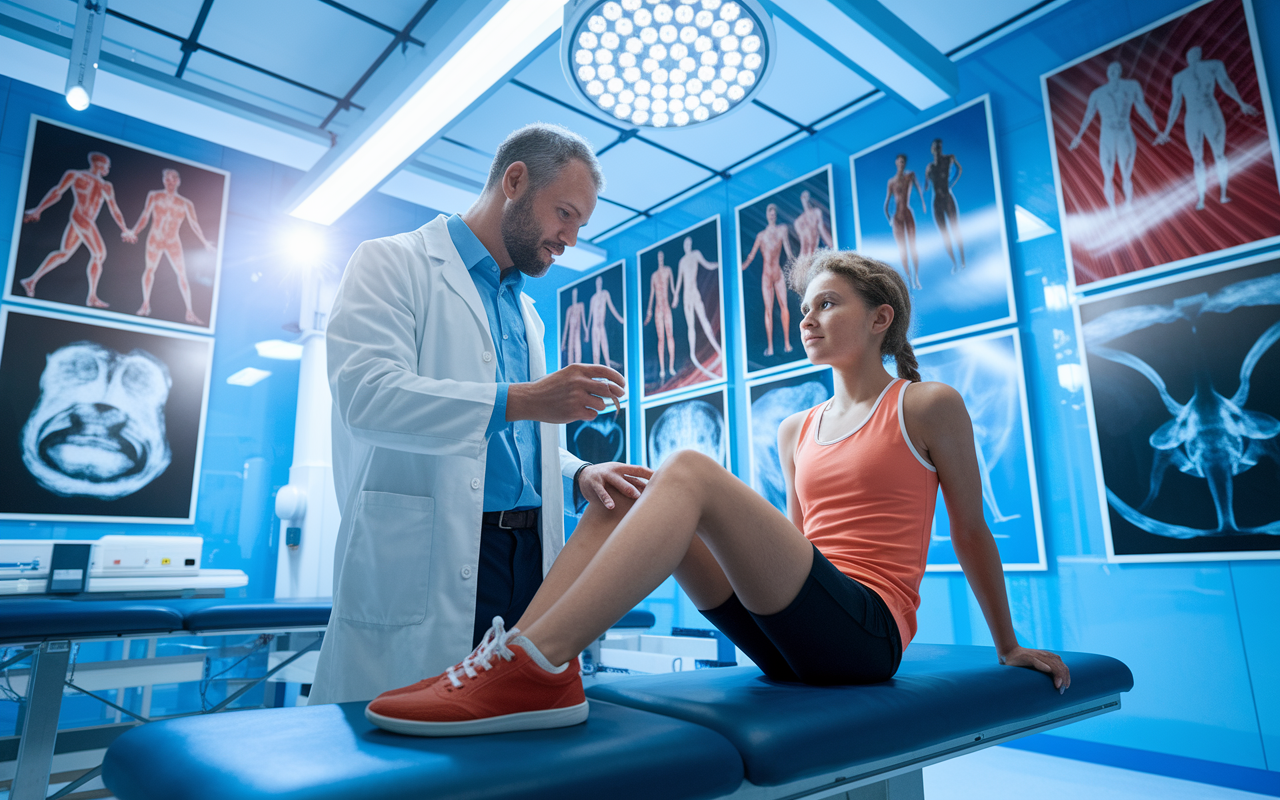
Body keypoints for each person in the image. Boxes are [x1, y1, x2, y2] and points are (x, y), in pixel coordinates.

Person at [363, 249, 1072, 737]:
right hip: (795, 638)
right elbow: (798, 548)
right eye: (804, 306)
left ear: (880, 317)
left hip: (867, 636)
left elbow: (972, 528)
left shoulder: (925, 404)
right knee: (624, 488)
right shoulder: (797, 428)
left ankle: (533, 668)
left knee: (692, 470)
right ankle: (522, 656)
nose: (807, 318)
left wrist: (1007, 645)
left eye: (829, 304)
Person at [309, 123, 653, 706]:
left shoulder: (527, 313)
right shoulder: (392, 264)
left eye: (580, 225)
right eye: (564, 213)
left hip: (528, 559)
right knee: (405, 757)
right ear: (514, 181)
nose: (569, 238)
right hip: (434, 556)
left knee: (507, 739)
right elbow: (367, 397)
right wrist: (525, 398)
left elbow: (512, 438)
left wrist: (575, 474)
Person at [19, 152, 135, 307]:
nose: (108, 168)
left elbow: (114, 208)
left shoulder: (106, 186)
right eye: (107, 164)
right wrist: (38, 210)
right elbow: (57, 192)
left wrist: (124, 228)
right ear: (99, 164)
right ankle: (92, 297)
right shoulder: (76, 175)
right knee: (99, 254)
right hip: (82, 218)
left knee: (64, 254)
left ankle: (31, 281)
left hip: (83, 220)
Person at [1154, 46, 1259, 210]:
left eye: (1196, 53)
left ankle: (1223, 194)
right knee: (1198, 159)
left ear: (1201, 54)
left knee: (1219, 154)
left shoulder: (1213, 65)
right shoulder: (1180, 77)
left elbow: (1226, 83)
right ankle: (1201, 198)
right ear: (1187, 57)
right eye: (1190, 54)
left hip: (1211, 112)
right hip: (1193, 116)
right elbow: (1176, 104)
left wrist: (1241, 102)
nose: (1193, 55)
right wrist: (1166, 130)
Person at [1068, 62, 1160, 214]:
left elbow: (1142, 108)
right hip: (1107, 135)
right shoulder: (1098, 93)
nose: (1114, 72)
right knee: (1108, 174)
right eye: (1111, 70)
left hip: (1124, 132)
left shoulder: (1131, 86)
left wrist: (1156, 130)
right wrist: (1078, 136)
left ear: (1121, 71)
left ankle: (1129, 206)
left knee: (1126, 173)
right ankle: (1112, 210)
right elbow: (1088, 115)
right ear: (1107, 73)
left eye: (1117, 69)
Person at [128, 168, 216, 324]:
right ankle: (145, 305)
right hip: (155, 238)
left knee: (182, 274)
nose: (170, 182)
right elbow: (145, 216)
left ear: (178, 181)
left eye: (173, 179)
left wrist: (204, 242)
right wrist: (134, 232)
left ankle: (189, 311)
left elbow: (194, 224)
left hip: (172, 241)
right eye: (167, 179)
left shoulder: (185, 203)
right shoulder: (154, 196)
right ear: (163, 180)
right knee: (149, 270)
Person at [741, 203, 794, 357]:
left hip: (777, 273)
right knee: (768, 310)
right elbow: (751, 255)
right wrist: (743, 266)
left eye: (774, 212)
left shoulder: (782, 230)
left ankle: (787, 343)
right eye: (769, 211)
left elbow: (788, 250)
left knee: (784, 306)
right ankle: (770, 347)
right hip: (766, 275)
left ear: (776, 215)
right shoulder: (761, 236)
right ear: (766, 215)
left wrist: (795, 264)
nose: (772, 215)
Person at [672, 235, 724, 379]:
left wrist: (718, 264)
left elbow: (707, 264)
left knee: (704, 321)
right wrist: (676, 296)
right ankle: (694, 356)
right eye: (685, 244)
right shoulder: (682, 261)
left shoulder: (695, 255)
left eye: (689, 243)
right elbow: (679, 281)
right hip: (686, 295)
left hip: (694, 292)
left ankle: (718, 350)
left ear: (691, 244)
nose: (687, 246)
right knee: (691, 326)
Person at [922, 139, 966, 272]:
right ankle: (954, 263)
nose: (938, 149)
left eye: (940, 147)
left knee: (955, 230)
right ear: (932, 149)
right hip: (937, 202)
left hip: (947, 198)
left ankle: (963, 260)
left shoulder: (949, 159)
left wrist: (950, 184)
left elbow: (959, 170)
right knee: (945, 234)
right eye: (936, 147)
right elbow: (926, 186)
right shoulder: (929, 167)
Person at [884, 155, 925, 290]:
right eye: (900, 161)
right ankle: (909, 279)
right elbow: (887, 201)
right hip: (897, 218)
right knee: (903, 250)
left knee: (913, 247)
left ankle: (917, 277)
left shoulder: (909, 176)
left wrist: (923, 203)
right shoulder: (891, 181)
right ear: (896, 163)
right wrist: (889, 218)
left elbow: (918, 188)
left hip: (907, 214)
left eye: (903, 162)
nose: (901, 164)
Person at [643, 250, 678, 382]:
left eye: (662, 256)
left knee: (670, 335)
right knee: (661, 338)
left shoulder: (668, 270)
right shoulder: (654, 275)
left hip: (666, 306)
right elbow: (652, 294)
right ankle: (663, 369)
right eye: (659, 257)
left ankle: (671, 367)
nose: (660, 259)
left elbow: (672, 287)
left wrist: (675, 297)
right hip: (658, 308)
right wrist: (649, 311)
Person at [586, 275, 624, 369]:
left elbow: (611, 307)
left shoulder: (605, 294)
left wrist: (620, 318)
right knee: (596, 352)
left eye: (600, 281)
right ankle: (596, 374)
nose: (599, 283)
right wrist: (587, 332)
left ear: (602, 283)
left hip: (601, 326)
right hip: (594, 328)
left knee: (605, 350)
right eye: (597, 282)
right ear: (596, 284)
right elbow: (590, 316)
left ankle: (608, 370)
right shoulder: (593, 298)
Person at [793, 189, 832, 259]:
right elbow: (803, 241)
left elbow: (822, 231)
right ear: (801, 199)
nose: (806, 199)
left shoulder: (817, 212)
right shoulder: (798, 221)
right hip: (806, 256)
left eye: (807, 196)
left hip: (817, 250)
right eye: (804, 197)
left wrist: (832, 245)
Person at [560, 286, 586, 366]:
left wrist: (586, 332)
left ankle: (578, 375)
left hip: (577, 334)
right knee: (570, 355)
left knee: (578, 353)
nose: (574, 295)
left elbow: (583, 320)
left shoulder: (580, 306)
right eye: (573, 294)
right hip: (571, 336)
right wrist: (563, 343)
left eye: (576, 293)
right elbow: (566, 327)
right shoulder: (569, 309)